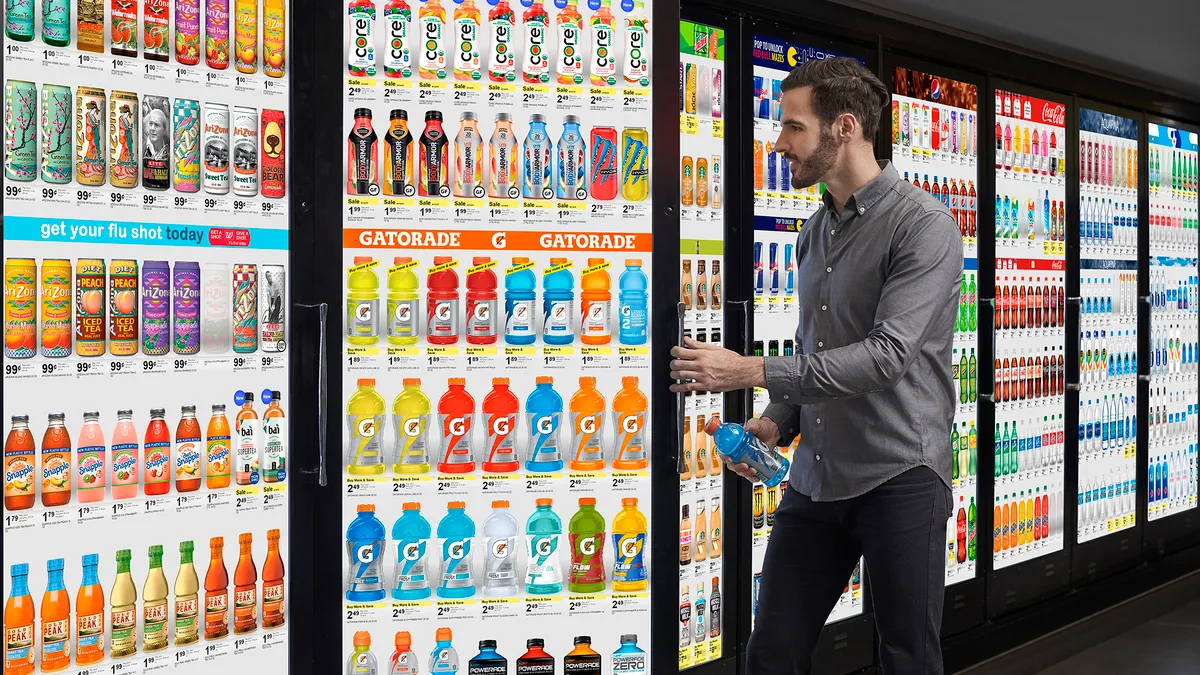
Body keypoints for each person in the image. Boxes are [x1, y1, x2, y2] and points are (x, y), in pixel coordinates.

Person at [670, 57, 963, 674]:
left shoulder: (923, 226)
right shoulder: (813, 233)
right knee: (771, 651)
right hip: (817, 477)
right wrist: (777, 421)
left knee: (907, 658)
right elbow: (818, 350)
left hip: (900, 473)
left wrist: (750, 373)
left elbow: (885, 358)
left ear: (845, 128)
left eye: (794, 128)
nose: (780, 143)